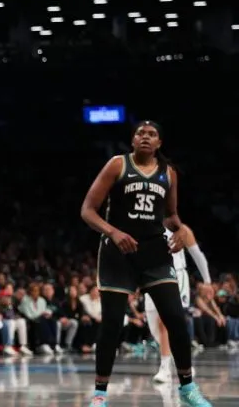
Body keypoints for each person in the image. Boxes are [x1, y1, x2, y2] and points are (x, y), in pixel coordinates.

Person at [80, 121, 211, 407]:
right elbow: (87, 210)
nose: (145, 137)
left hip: (154, 253)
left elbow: (170, 215)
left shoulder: (169, 173)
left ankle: (187, 388)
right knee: (112, 324)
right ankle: (100, 394)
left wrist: (178, 231)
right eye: (141, 133)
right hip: (117, 253)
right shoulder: (117, 165)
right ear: (133, 139)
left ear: (159, 143)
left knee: (176, 319)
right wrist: (113, 232)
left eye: (151, 134)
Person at [149, 224, 211, 383]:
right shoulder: (145, 223)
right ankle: (182, 361)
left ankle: (165, 368)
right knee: (154, 327)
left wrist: (208, 281)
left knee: (165, 321)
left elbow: (197, 254)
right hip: (151, 275)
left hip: (176, 274)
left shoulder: (180, 229)